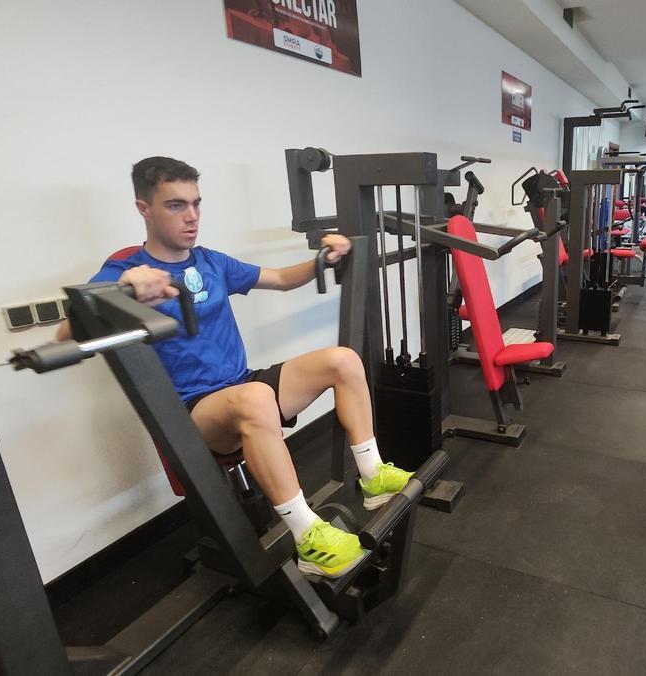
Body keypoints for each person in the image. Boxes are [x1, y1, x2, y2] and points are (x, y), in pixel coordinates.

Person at [58, 157, 414, 579]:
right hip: (194, 413)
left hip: (243, 387)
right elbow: (67, 333)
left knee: (342, 361)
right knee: (256, 397)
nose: (191, 217)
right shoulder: (123, 271)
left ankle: (371, 475)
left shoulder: (210, 262)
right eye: (175, 205)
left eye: (196, 204)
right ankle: (308, 539)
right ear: (144, 209)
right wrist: (123, 291)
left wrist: (326, 258)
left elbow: (280, 278)